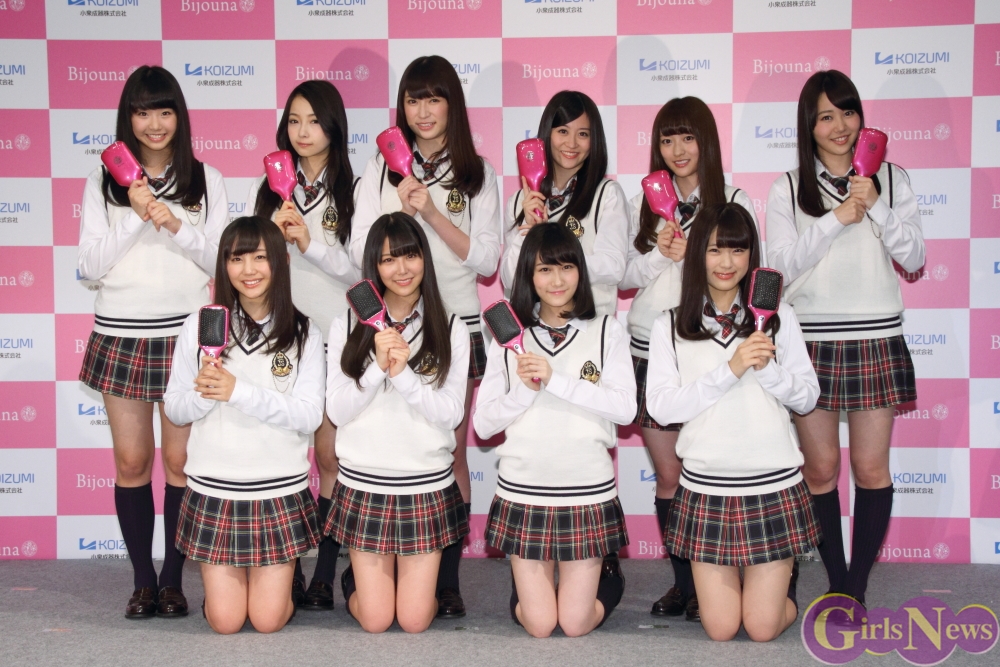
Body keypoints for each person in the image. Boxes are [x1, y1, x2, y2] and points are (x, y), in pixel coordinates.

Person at [766, 70, 924, 606]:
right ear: (808, 126)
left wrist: (875, 203)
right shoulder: (788, 186)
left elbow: (915, 257)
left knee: (870, 468)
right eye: (826, 116)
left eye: (848, 112)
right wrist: (835, 219)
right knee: (820, 469)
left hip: (875, 336)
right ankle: (835, 579)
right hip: (810, 341)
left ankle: (855, 587)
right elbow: (778, 269)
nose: (840, 126)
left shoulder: (892, 179)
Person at [350, 56, 501, 617]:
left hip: (452, 324)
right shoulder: (379, 166)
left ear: (451, 106)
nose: (423, 111)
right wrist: (396, 209)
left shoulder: (477, 171)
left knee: (450, 451)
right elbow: (358, 250)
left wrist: (432, 213)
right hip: (387, 324)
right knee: (388, 442)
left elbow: (487, 260)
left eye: (434, 99)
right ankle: (380, 568)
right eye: (414, 100)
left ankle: (447, 579)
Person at [77, 65, 228, 619]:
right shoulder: (103, 181)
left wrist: (177, 226)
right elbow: (88, 267)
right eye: (143, 112)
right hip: (122, 332)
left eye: (165, 111)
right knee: (132, 459)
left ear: (179, 116)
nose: (155, 123)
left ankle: (172, 581)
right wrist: (134, 216)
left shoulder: (206, 179)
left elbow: (222, 261)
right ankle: (142, 579)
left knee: (181, 462)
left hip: (186, 335)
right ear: (128, 118)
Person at [645, 203, 821, 641]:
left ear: (751, 255)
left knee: (761, 627)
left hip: (771, 483)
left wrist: (768, 370)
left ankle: (779, 592)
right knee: (721, 628)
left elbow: (808, 397)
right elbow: (662, 408)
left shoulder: (780, 317)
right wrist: (732, 369)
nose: (727, 262)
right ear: (697, 254)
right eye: (714, 250)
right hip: (707, 488)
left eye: (738, 250)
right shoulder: (669, 325)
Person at [620, 96, 761, 621]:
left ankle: (724, 578)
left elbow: (754, 274)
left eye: (688, 138)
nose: (677, 150)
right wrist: (659, 254)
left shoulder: (734, 200)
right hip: (650, 347)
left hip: (713, 353)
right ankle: (686, 584)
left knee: (714, 470)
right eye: (666, 139)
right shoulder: (644, 201)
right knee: (669, 476)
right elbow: (623, 277)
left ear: (706, 143)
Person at [164, 216, 323, 634]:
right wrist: (204, 391)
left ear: (281, 262)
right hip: (216, 490)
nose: (248, 270)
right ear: (224, 265)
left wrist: (238, 391)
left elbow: (309, 416)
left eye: (259, 257)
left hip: (277, 491)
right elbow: (175, 409)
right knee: (226, 622)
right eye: (236, 259)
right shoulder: (200, 325)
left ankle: (282, 588)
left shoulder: (304, 332)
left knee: (267, 621)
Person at [475, 223, 635, 638]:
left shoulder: (607, 330)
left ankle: (609, 576)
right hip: (524, 490)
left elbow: (625, 410)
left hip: (586, 489)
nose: (557, 280)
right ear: (528, 275)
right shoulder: (508, 337)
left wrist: (556, 380)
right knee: (541, 624)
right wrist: (524, 391)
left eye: (566, 267)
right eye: (545, 270)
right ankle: (531, 587)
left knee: (575, 624)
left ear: (580, 271)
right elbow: (483, 424)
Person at [326, 212, 470, 633]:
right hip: (365, 482)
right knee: (375, 620)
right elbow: (337, 412)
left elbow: (451, 414)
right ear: (374, 266)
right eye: (388, 259)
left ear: (425, 258)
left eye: (409, 255)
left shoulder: (452, 327)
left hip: (424, 485)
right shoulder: (346, 324)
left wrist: (403, 375)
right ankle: (357, 579)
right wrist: (376, 367)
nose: (401, 269)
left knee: (414, 620)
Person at [248, 79, 361, 610]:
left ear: (333, 125)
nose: (303, 131)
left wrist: (308, 243)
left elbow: (362, 272)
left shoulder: (355, 187)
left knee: (330, 458)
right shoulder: (270, 186)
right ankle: (286, 567)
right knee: (286, 456)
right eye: (294, 120)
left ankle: (323, 572)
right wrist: (272, 238)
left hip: (337, 336)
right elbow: (250, 268)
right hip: (283, 339)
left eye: (314, 120)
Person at [501, 91, 630, 319]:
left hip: (590, 326)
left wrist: (554, 263)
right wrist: (529, 233)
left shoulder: (606, 194)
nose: (571, 143)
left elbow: (614, 267)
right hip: (536, 329)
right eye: (562, 131)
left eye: (583, 134)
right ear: (547, 134)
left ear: (594, 140)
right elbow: (510, 279)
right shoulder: (520, 201)